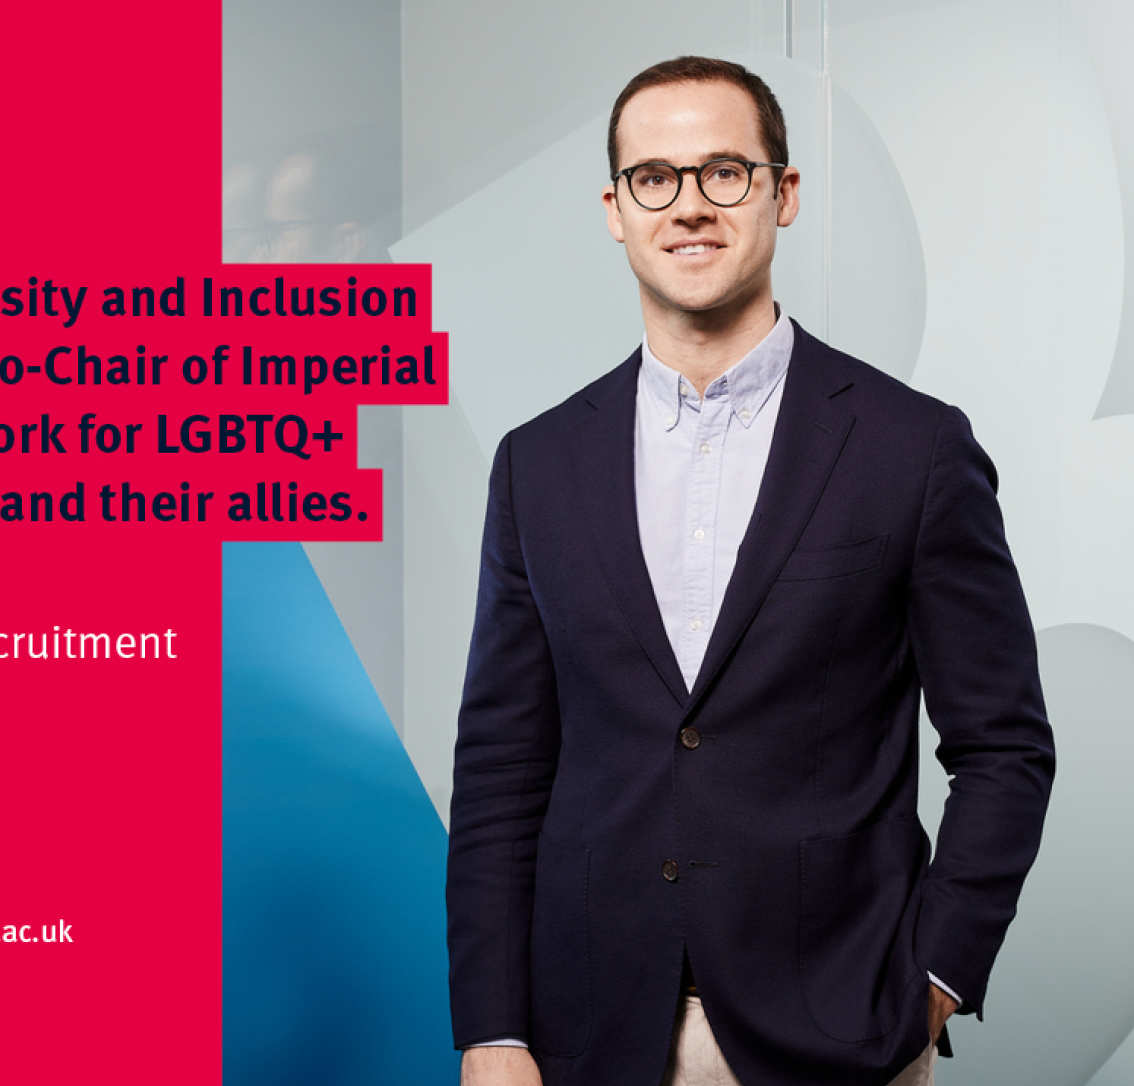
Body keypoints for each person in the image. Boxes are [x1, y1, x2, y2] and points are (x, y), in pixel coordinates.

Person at [445, 56, 1055, 1086]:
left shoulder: (911, 450)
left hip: (840, 1034)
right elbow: (502, 771)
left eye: (724, 171)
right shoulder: (535, 465)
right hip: (586, 1032)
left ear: (783, 193)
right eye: (655, 179)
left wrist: (933, 975)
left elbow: (1001, 745)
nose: (689, 206)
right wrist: (492, 1029)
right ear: (614, 209)